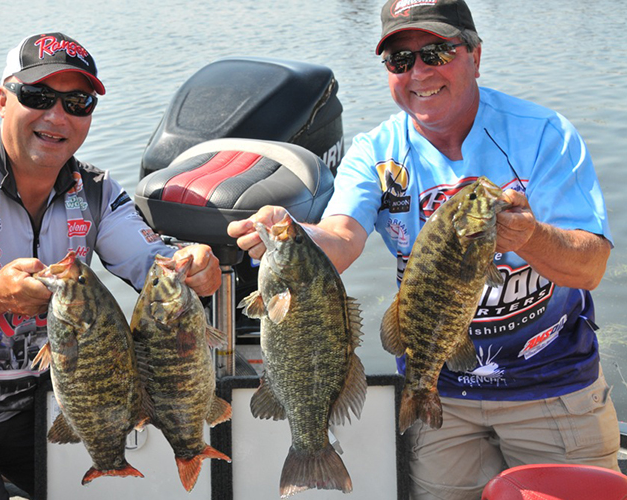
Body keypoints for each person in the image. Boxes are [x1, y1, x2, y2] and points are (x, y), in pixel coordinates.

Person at [228, 1, 618, 498]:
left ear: (475, 55)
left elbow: (591, 268)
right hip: (439, 396)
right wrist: (291, 235)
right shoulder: (375, 151)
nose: (419, 72)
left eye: (436, 51)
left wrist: (531, 237)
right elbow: (341, 238)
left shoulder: (544, 135)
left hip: (554, 388)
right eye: (400, 60)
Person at [0, 32, 221, 499]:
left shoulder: (98, 192)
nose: (57, 116)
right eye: (38, 96)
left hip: (42, 408)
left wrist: (196, 266)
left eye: (77, 102)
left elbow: (156, 265)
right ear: (3, 99)